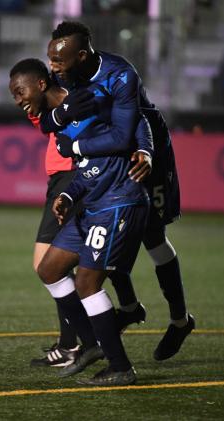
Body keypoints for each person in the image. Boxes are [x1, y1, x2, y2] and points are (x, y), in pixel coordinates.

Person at [39, 21, 195, 363]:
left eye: (58, 61)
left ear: (80, 55)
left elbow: (131, 129)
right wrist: (63, 119)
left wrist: (143, 151)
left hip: (144, 150)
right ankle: (127, 307)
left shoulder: (121, 75)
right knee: (107, 225)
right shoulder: (68, 73)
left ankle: (180, 320)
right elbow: (56, 119)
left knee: (152, 234)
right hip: (107, 151)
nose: (54, 69)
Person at [8, 58, 153, 369]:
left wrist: (146, 148)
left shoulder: (84, 90)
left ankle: (84, 344)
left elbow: (130, 121)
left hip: (96, 184)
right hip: (77, 181)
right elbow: (53, 121)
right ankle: (97, 332)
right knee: (57, 268)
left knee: (79, 272)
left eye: (20, 92)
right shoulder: (53, 109)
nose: (18, 101)